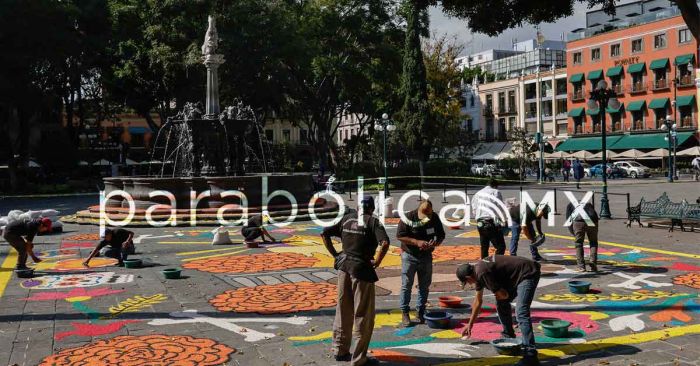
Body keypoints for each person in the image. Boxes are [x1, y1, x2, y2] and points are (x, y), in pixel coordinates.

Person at [321, 197, 390, 366]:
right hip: (361, 270)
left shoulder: (347, 218)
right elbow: (385, 242)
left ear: (359, 208)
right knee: (363, 315)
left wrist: (335, 254)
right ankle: (359, 359)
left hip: (344, 267)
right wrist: (378, 261)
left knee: (343, 310)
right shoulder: (373, 222)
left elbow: (324, 233)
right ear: (372, 209)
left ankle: (339, 350)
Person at [457, 255, 542, 366]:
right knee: (501, 304)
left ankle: (530, 355)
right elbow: (477, 301)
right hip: (517, 275)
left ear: (468, 277)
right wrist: (470, 324)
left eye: (467, 282)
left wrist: (502, 293)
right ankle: (509, 337)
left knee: (521, 312)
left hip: (528, 273)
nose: (470, 284)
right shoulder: (477, 271)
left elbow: (503, 295)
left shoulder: (482, 273)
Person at [396, 200, 445, 327]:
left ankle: (421, 310)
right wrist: (416, 241)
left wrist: (435, 243)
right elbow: (400, 236)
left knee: (424, 285)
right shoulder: (408, 217)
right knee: (407, 284)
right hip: (409, 255)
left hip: (426, 256)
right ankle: (405, 311)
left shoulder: (434, 217)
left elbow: (441, 234)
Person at [472, 179, 506, 259]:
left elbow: (474, 211)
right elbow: (500, 207)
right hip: (490, 222)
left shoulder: (477, 193)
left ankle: (484, 265)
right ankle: (496, 264)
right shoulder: (495, 192)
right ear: (495, 186)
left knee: (484, 246)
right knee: (500, 247)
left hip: (480, 223)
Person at [565, 200, 600, 272]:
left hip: (579, 221)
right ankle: (593, 262)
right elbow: (594, 213)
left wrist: (573, 232)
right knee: (593, 242)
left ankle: (581, 266)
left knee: (579, 243)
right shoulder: (589, 203)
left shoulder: (570, 205)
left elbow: (568, 221)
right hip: (593, 219)